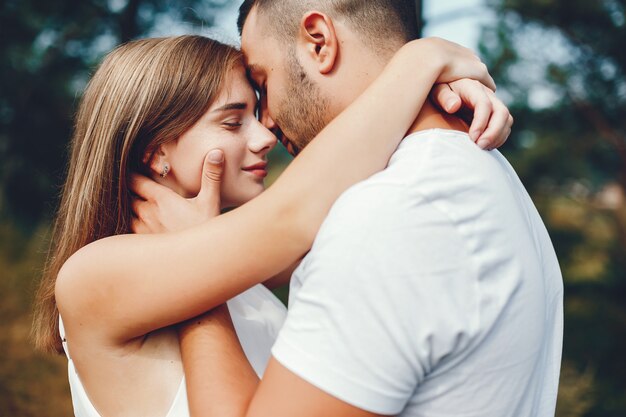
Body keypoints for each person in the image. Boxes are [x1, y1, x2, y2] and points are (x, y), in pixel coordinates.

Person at [31, 32, 509, 417]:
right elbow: (299, 209)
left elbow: (352, 176)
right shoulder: (94, 273)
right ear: (156, 150)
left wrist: (437, 97)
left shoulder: (246, 271)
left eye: (256, 115)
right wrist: (423, 59)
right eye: (232, 121)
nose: (264, 137)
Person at [161, 1, 563, 417]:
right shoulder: (480, 169)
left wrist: (194, 292)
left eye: (263, 82)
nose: (267, 121)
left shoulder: (391, 215)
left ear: (319, 43)